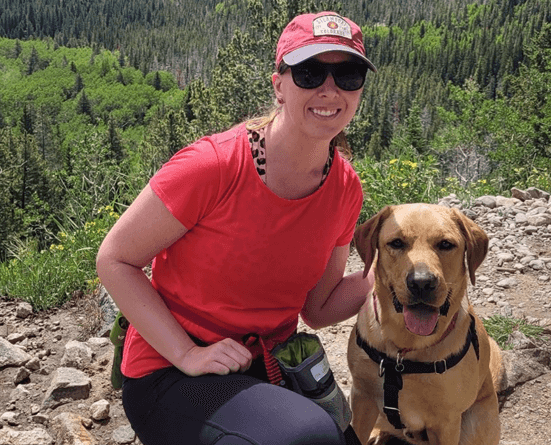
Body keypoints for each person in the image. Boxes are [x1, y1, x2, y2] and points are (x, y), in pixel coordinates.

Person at [96, 11, 376, 445]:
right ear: (279, 85)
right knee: (310, 438)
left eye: (349, 74)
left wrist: (392, 274)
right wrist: (187, 353)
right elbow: (115, 259)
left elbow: (318, 308)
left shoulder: (344, 188)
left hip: (265, 367)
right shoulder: (213, 166)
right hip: (171, 372)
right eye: (309, 72)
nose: (329, 89)